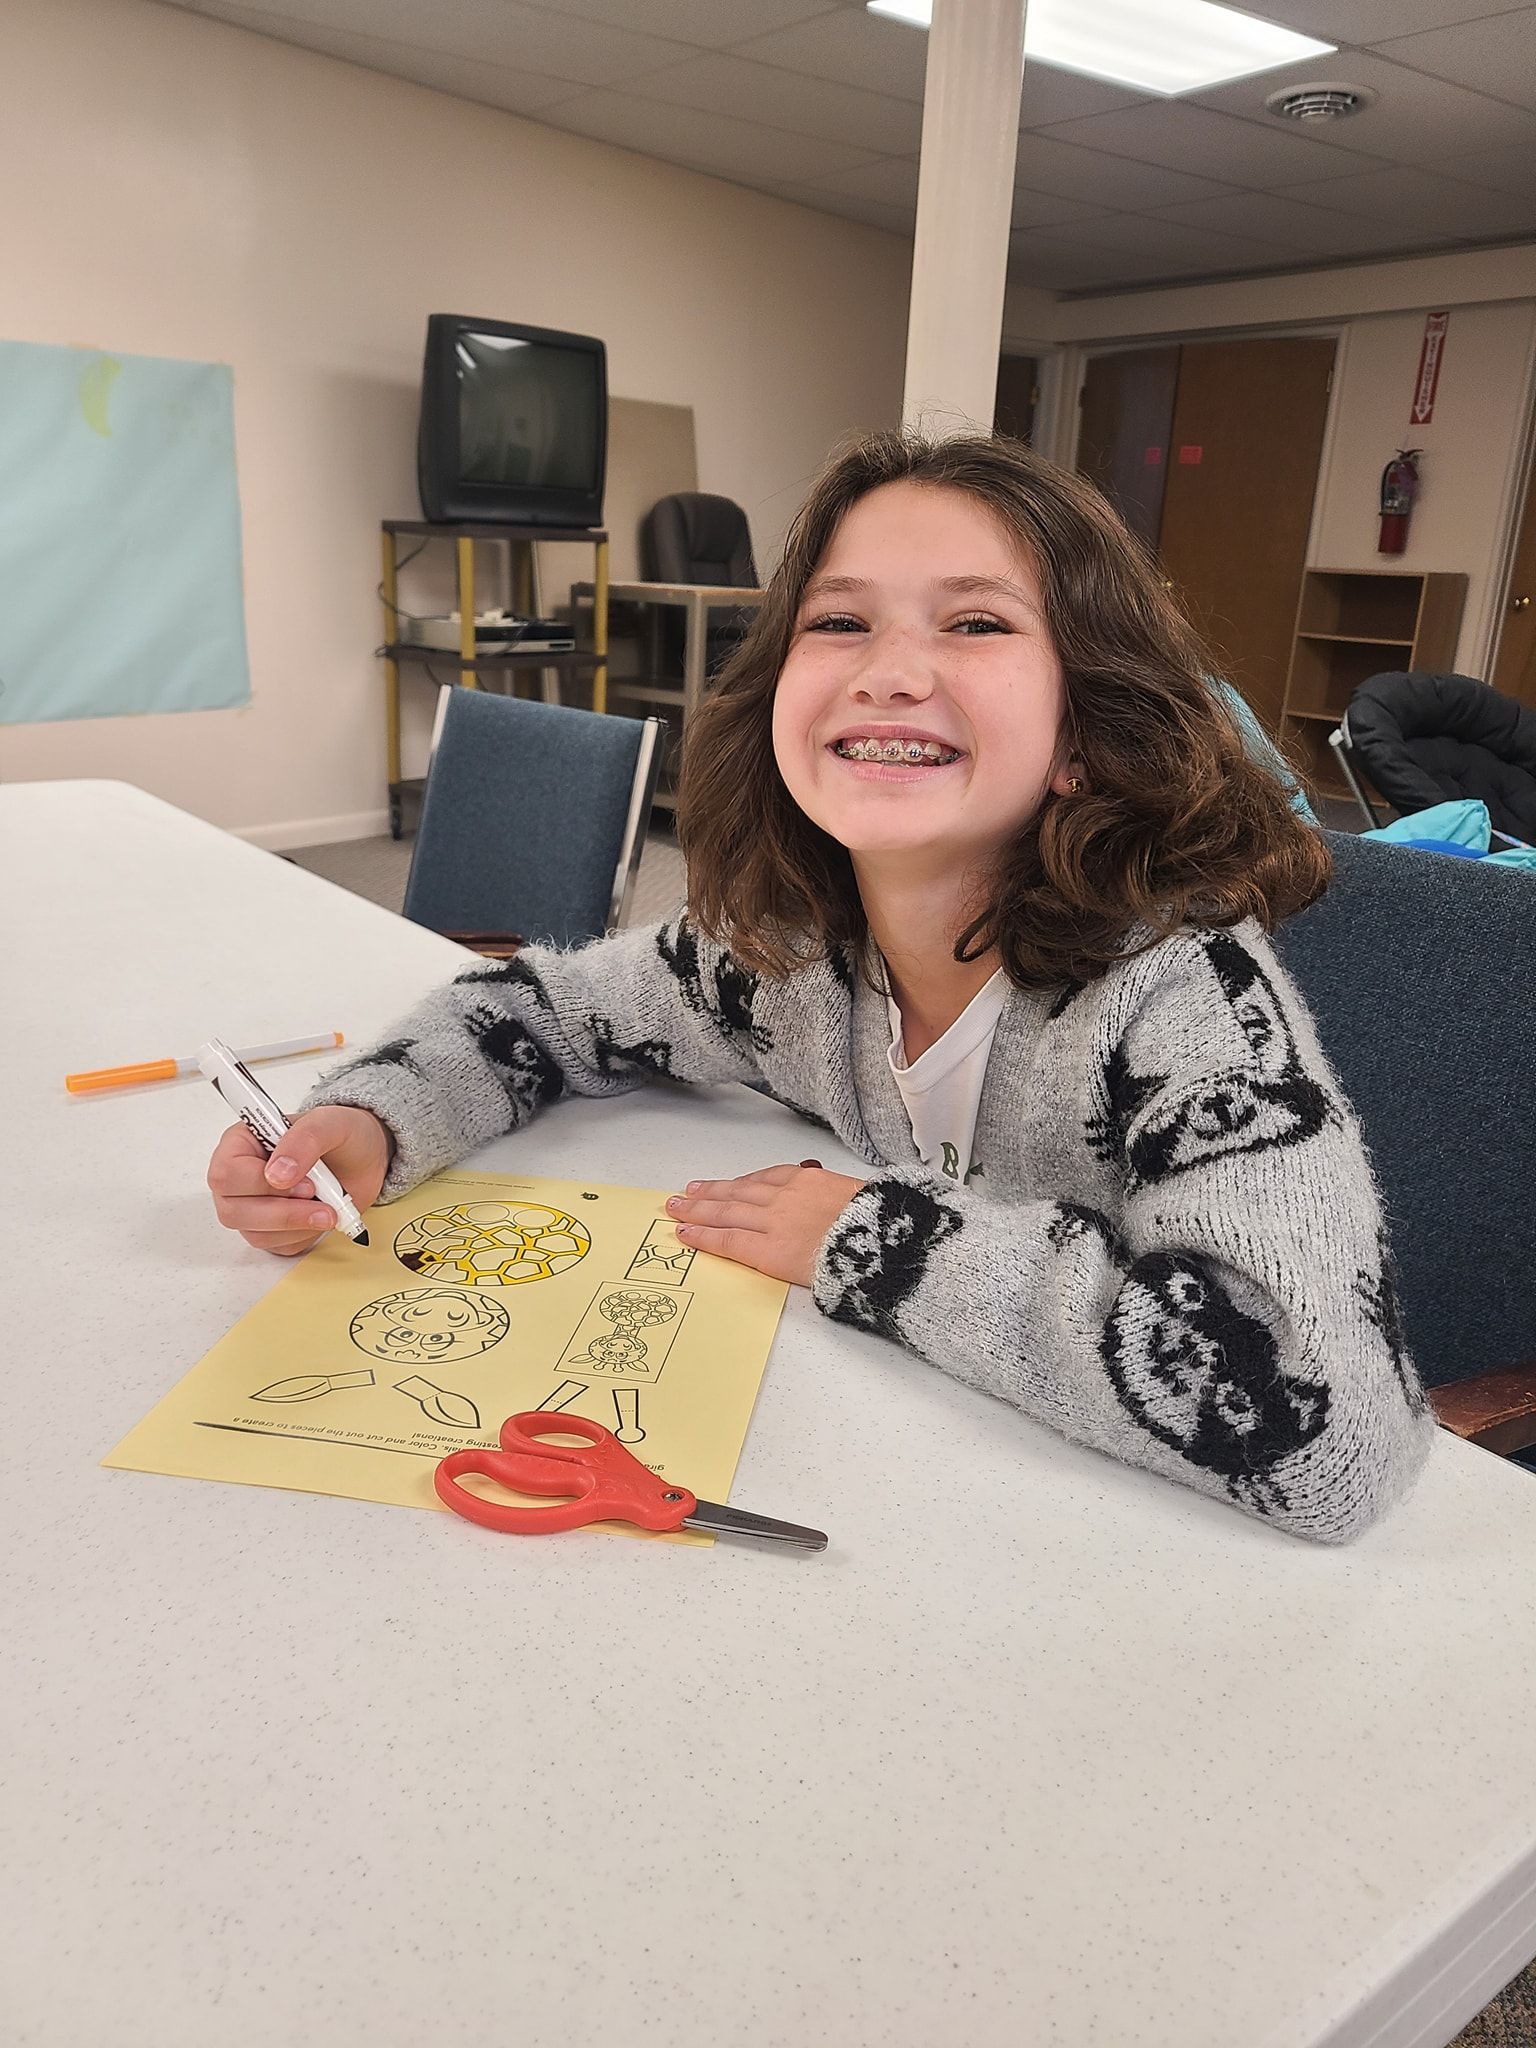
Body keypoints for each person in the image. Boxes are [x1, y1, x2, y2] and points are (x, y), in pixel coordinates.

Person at [206, 431, 1433, 1542]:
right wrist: (372, 1120)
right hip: (916, 1490)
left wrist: (874, 1238)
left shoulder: (1181, 994)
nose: (890, 671)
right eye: (838, 622)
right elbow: (547, 1012)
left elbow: (1327, 1435)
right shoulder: (791, 954)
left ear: (1084, 733)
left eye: (977, 623)